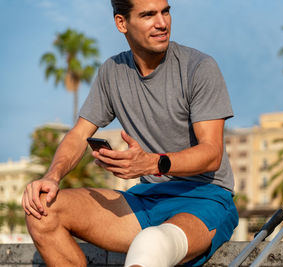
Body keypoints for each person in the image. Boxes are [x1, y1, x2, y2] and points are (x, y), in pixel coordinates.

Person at [22, 0, 238, 266]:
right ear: (121, 23)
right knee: (41, 210)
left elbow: (211, 154)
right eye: (148, 15)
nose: (162, 23)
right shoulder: (112, 72)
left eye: (166, 11)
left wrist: (153, 163)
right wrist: (52, 177)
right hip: (146, 200)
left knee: (151, 244)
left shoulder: (199, 67)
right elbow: (79, 134)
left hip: (205, 197)